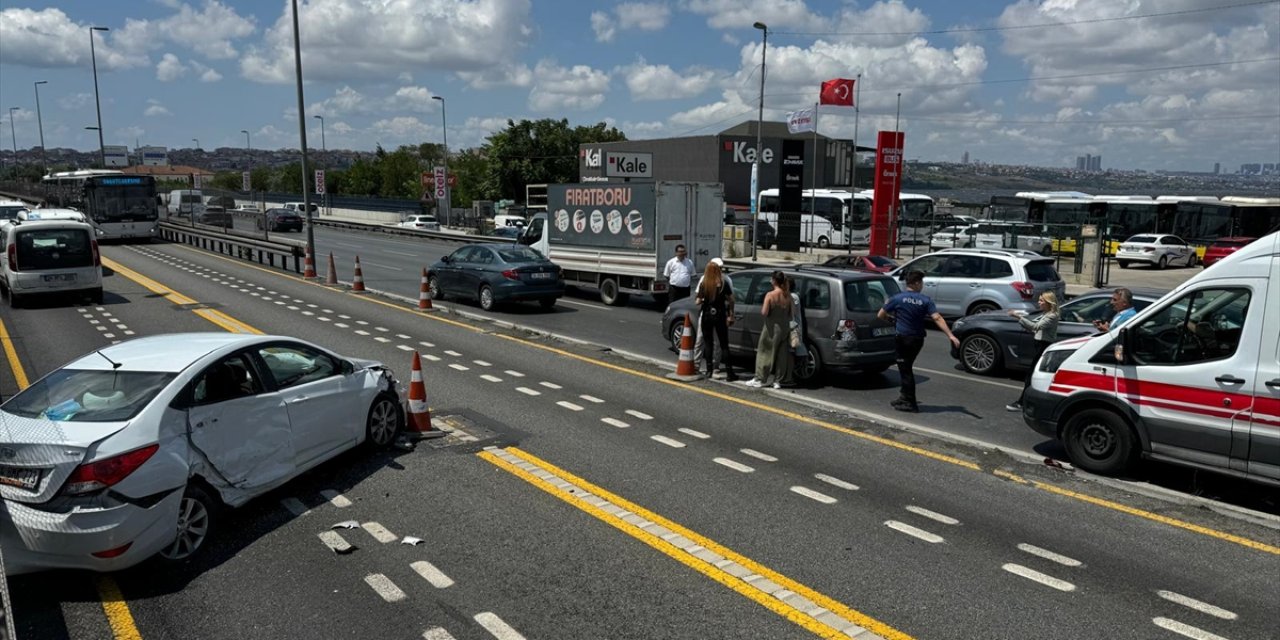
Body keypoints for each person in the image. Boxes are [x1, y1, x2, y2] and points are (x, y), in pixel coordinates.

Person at [877, 270, 960, 412]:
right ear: (915, 283)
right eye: (921, 282)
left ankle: (910, 403)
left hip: (903, 339)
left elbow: (880, 315)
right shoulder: (925, 300)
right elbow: (937, 318)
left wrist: (892, 320)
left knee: (905, 369)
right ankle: (904, 397)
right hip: (917, 340)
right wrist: (950, 335)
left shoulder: (897, 298)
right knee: (906, 367)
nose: (922, 285)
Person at [1005, 291, 1060, 412]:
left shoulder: (1052, 316)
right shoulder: (1046, 313)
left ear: (1048, 302)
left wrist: (1018, 316)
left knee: (1031, 377)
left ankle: (1022, 403)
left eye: (1041, 301)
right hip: (1039, 345)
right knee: (1033, 376)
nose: (1039, 302)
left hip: (1043, 347)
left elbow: (1036, 326)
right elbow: (1035, 326)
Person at [745, 271, 794, 389]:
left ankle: (760, 379)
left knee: (765, 352)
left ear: (773, 281)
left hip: (771, 327)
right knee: (781, 355)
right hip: (784, 327)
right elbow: (792, 314)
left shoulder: (770, 295)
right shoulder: (788, 295)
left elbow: (764, 312)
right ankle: (778, 380)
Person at [695, 261, 737, 381]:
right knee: (724, 344)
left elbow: (698, 301)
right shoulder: (723, 283)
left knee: (708, 343)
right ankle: (729, 373)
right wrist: (731, 314)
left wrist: (703, 301)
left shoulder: (705, 283)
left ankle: (709, 371)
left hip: (707, 315)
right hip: (719, 315)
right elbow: (731, 300)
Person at [786, 276, 809, 363]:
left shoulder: (793, 296)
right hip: (792, 327)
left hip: (793, 327)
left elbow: (791, 312)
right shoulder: (791, 296)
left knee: (794, 349)